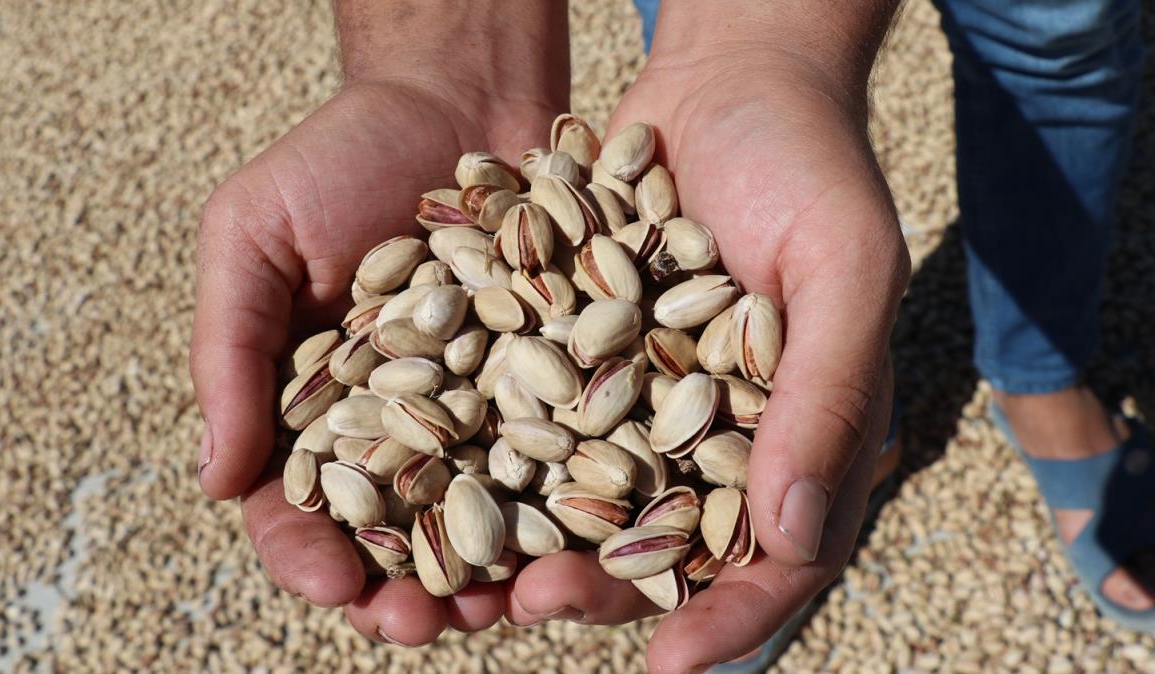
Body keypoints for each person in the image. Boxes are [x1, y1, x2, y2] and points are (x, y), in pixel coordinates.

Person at [189, 2, 1152, 672]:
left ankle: (1037, 373)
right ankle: (849, 433)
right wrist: (440, 57)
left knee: (1055, 40)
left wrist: (770, 45)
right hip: (592, 393)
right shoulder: (490, 335)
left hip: (616, 379)